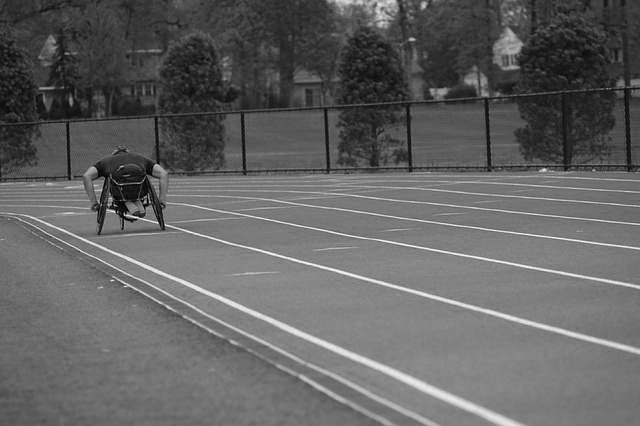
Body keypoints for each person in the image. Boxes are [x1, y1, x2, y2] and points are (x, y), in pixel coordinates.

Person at [83, 144, 168, 218]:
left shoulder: (106, 161)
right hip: (139, 190)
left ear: (114, 153)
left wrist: (94, 202)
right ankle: (137, 202)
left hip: (119, 191)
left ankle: (128, 202)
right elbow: (163, 173)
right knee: (137, 182)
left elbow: (87, 176)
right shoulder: (140, 158)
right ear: (128, 152)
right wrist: (161, 199)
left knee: (117, 183)